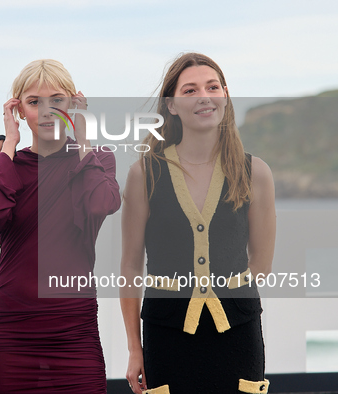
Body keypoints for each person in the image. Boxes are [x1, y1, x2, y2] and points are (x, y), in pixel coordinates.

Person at [120, 53, 276, 394]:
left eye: (212, 86)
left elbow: (260, 264)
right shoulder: (145, 174)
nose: (204, 96)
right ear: (172, 105)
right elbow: (130, 267)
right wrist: (135, 348)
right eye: (189, 90)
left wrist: (227, 296)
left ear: (225, 95)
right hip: (167, 338)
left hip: (238, 336)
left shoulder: (255, 172)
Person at [0, 59, 121, 393]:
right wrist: (8, 144)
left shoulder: (97, 159)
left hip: (75, 331)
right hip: (11, 331)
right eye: (35, 102)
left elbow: (100, 204)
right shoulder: (4, 163)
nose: (48, 110)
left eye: (58, 100)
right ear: (18, 110)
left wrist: (83, 141)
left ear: (73, 104)